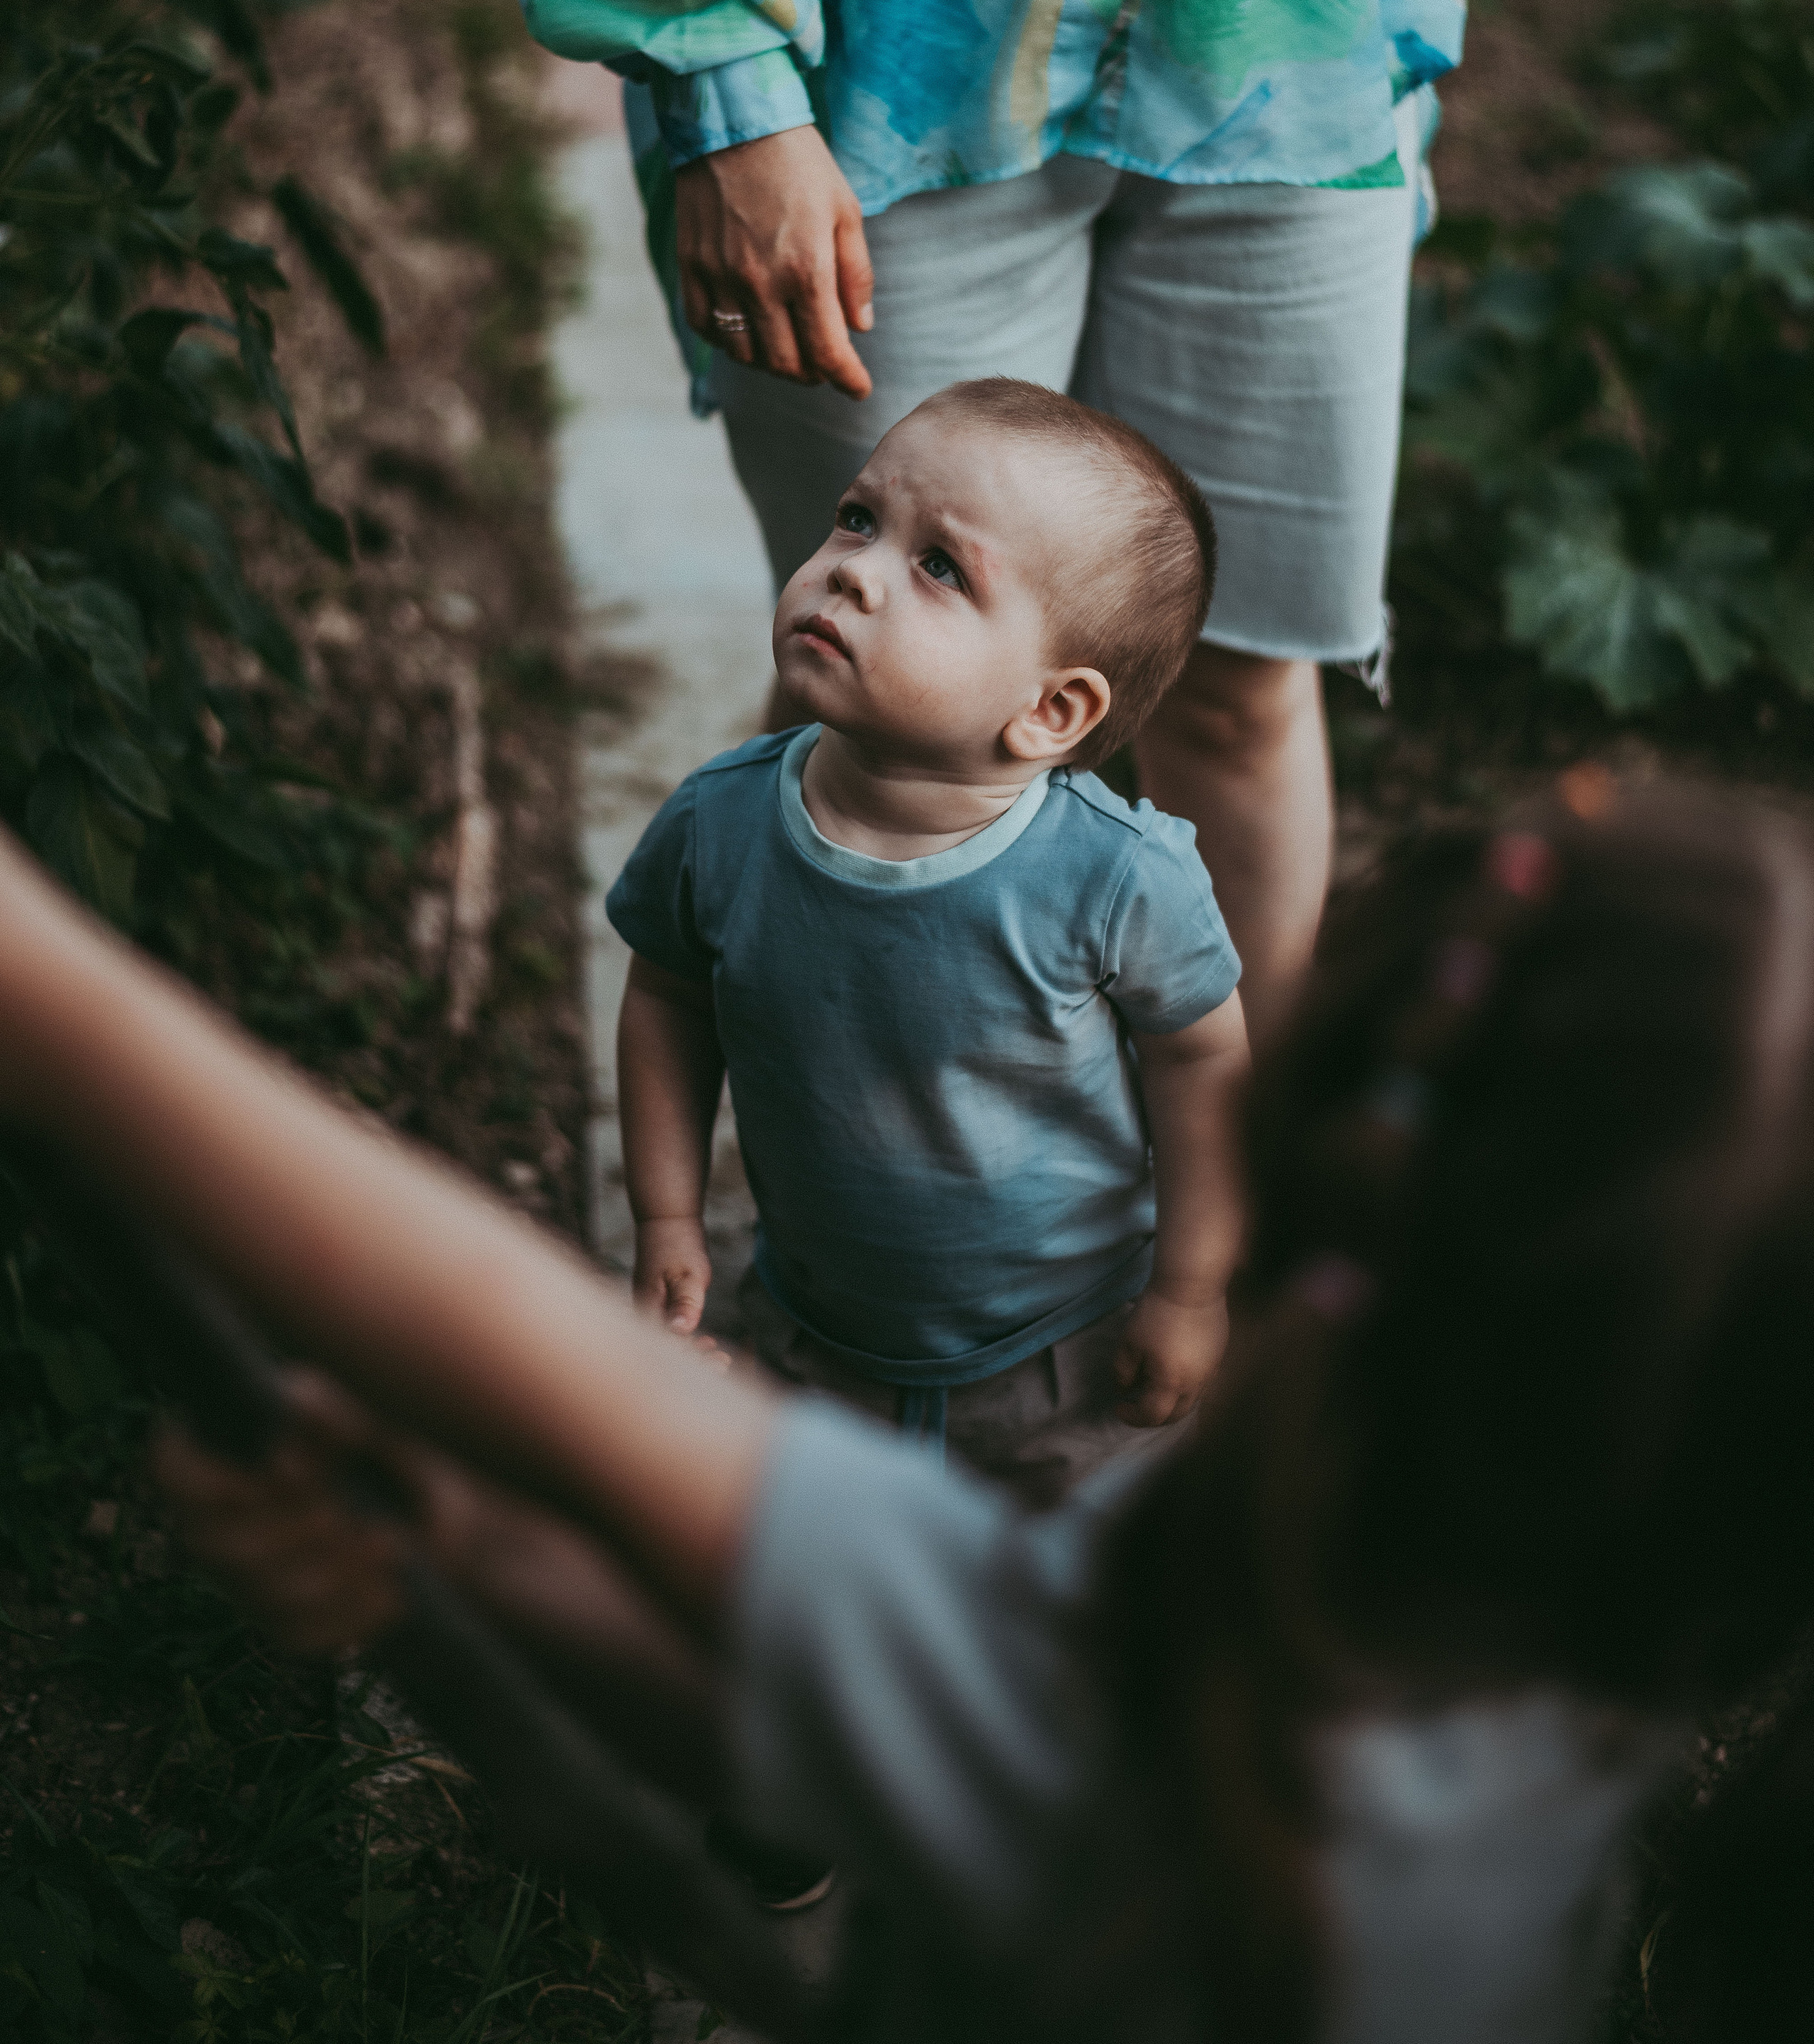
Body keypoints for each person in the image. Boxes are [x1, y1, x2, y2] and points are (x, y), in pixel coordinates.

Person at [126, 774, 1814, 2043]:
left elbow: (515, 1353)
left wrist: (468, 1513)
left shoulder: (1112, 1704)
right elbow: (863, 1742)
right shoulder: (1556, 1659)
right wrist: (459, 1550)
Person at [510, 0, 1469, 1044]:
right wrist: (724, 92)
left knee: (1248, 694)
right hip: (881, 70)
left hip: (1285, 45)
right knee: (891, 714)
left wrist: (1400, 30)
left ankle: (1212, 1264)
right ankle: (866, 1269)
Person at [612, 379, 1248, 1506]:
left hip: (1065, 1357)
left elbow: (1204, 1064)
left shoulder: (1116, 878)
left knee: (1068, 1610)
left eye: (940, 566)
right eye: (859, 518)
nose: (853, 567)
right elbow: (667, 996)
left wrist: (1191, 1290)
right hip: (811, 1332)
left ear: (1051, 712)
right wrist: (667, 1212)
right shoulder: (720, 823)